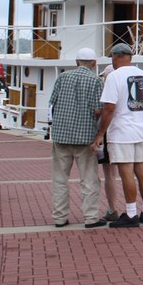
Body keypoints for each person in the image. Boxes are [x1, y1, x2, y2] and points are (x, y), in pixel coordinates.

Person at [92, 43, 143, 228]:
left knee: (126, 171)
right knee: (142, 171)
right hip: (141, 130)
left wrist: (100, 133)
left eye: (112, 56)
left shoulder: (114, 77)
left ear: (116, 56)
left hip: (122, 132)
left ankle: (130, 214)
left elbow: (109, 108)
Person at [49, 47, 106, 228]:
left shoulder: (63, 77)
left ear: (76, 62)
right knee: (89, 179)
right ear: (94, 63)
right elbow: (98, 109)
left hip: (61, 135)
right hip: (85, 137)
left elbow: (53, 102)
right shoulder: (96, 81)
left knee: (60, 179)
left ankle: (59, 217)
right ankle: (90, 218)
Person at [97, 65, 120, 222]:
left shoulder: (108, 92)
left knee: (109, 174)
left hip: (109, 134)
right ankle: (134, 208)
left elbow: (108, 111)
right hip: (126, 133)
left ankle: (113, 209)